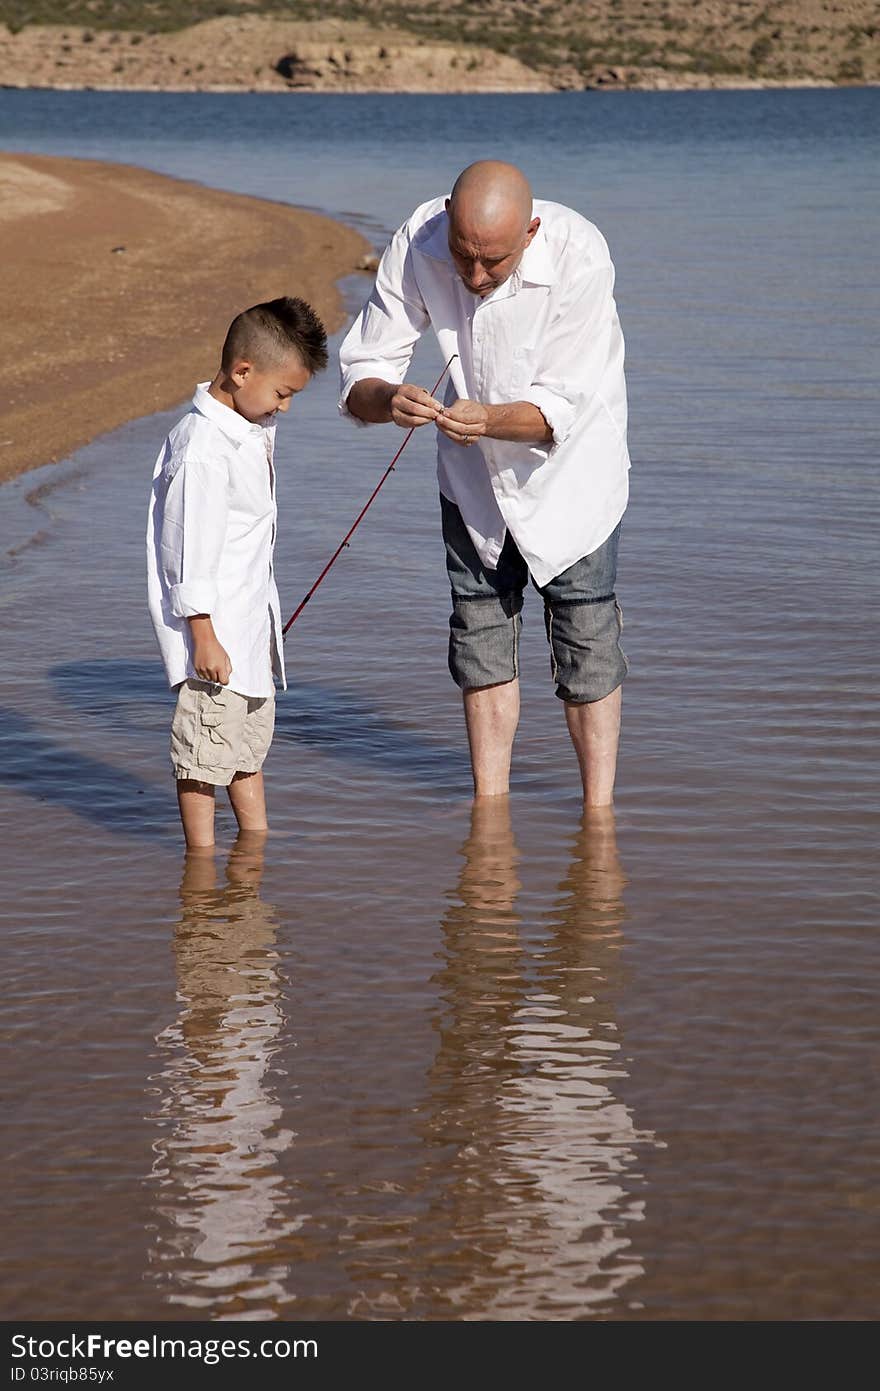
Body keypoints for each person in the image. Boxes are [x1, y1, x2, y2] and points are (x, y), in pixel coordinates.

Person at [339, 160, 630, 806]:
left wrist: (490, 419)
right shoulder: (422, 237)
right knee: (479, 635)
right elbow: (361, 372)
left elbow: (561, 409)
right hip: (470, 483)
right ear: (447, 213)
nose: (473, 276)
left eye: (492, 263)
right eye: (463, 255)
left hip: (572, 478)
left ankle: (599, 818)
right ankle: (489, 813)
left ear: (529, 232)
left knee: (586, 640)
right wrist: (391, 398)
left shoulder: (582, 256)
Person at [147, 296, 328, 847]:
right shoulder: (203, 450)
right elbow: (188, 552)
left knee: (247, 752)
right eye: (282, 394)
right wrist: (203, 636)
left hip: (249, 635)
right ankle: (200, 867)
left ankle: (256, 846)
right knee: (203, 759)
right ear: (241, 371)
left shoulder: (246, 429)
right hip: (215, 639)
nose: (286, 408)